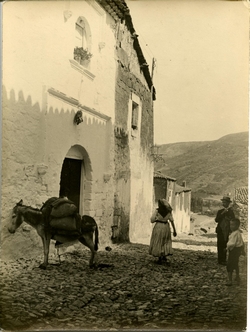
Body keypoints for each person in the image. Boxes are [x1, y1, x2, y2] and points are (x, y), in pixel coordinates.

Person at [149, 199, 177, 264]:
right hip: (166, 227)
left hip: (158, 226)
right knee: (165, 241)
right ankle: (164, 255)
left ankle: (159, 257)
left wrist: (157, 219)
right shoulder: (169, 212)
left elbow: (152, 220)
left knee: (158, 240)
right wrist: (174, 230)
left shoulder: (157, 211)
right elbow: (172, 221)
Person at [215, 196, 235, 265]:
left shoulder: (231, 212)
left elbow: (233, 221)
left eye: (225, 202)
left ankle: (224, 260)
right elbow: (216, 220)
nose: (224, 203)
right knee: (220, 245)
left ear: (228, 203)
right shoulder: (220, 211)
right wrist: (223, 213)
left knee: (225, 245)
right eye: (223, 202)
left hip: (227, 231)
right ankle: (220, 260)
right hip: (220, 231)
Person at [226, 218, 245, 286]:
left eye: (233, 225)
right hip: (238, 250)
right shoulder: (238, 233)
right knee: (235, 263)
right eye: (230, 225)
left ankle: (230, 280)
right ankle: (237, 277)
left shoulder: (234, 234)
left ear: (237, 226)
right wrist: (243, 250)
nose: (231, 226)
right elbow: (242, 242)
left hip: (233, 250)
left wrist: (227, 247)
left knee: (229, 264)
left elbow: (231, 243)